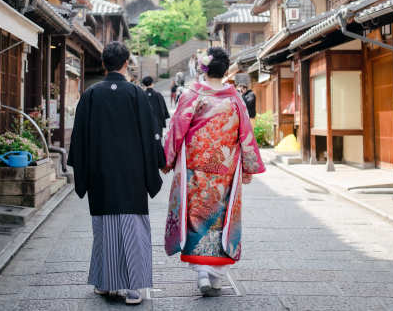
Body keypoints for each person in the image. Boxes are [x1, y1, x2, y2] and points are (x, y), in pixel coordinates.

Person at [162, 47, 265, 294]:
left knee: (197, 216)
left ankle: (203, 275)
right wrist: (248, 165)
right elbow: (246, 134)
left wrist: (168, 159)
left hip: (196, 167)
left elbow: (177, 129)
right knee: (221, 217)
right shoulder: (234, 98)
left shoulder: (191, 95)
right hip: (225, 169)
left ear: (203, 69)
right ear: (226, 70)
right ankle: (216, 276)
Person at [67, 42, 164, 305]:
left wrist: (83, 170)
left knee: (104, 227)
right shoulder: (135, 93)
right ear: (125, 63)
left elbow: (79, 138)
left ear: (103, 64)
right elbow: (150, 131)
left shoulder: (90, 94)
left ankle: (106, 283)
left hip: (100, 172)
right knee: (133, 227)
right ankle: (134, 289)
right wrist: (157, 160)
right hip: (132, 172)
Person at [142, 76, 170, 145]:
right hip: (158, 122)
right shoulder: (158, 95)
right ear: (152, 83)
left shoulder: (142, 95)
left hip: (145, 123)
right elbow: (163, 109)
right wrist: (163, 122)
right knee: (158, 142)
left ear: (144, 85)